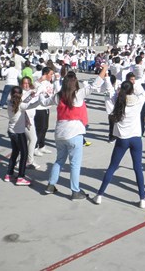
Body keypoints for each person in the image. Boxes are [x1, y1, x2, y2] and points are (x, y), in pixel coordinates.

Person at [42, 65, 107, 200]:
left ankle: (50, 185)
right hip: (74, 133)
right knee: (75, 164)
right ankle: (75, 190)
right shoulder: (78, 94)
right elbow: (95, 85)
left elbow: (44, 102)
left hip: (60, 133)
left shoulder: (58, 96)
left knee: (59, 160)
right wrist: (104, 69)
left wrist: (39, 93)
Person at [91, 79, 145, 208]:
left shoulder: (117, 102)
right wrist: (137, 82)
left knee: (112, 167)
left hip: (122, 139)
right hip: (136, 139)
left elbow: (109, 91)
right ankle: (142, 198)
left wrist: (107, 78)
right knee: (137, 168)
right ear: (132, 90)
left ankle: (99, 195)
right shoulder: (138, 101)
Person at [4, 86, 40, 186]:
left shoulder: (9, 102)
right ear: (20, 95)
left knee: (15, 152)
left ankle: (9, 174)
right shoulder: (21, 105)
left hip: (11, 131)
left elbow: (23, 102)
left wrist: (30, 96)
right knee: (24, 154)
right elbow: (31, 105)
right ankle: (21, 177)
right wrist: (40, 99)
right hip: (19, 133)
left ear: (11, 94)